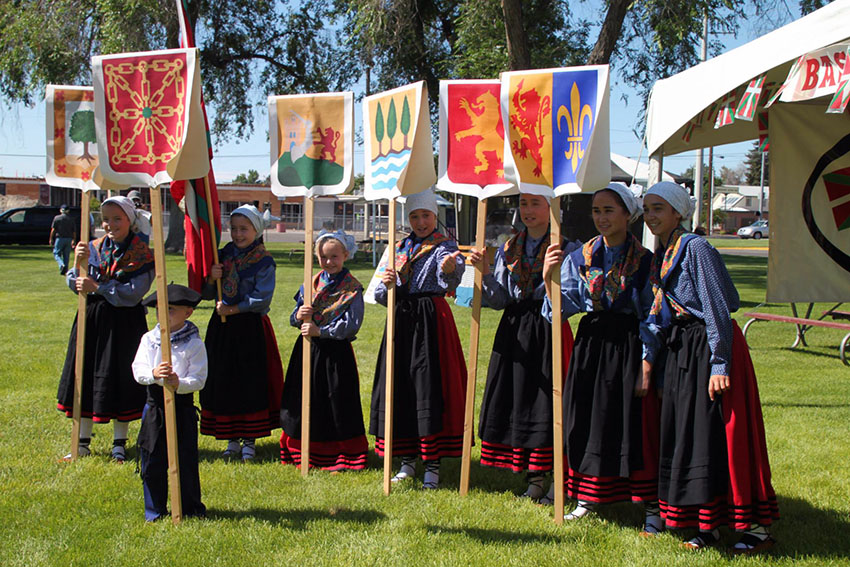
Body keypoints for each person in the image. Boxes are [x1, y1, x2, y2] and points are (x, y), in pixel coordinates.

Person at [642, 181, 778, 554]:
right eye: (647, 208)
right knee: (695, 435)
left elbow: (716, 306)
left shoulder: (696, 247)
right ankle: (708, 524)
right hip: (684, 348)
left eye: (658, 208)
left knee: (724, 434)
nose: (651, 216)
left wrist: (720, 362)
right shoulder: (663, 253)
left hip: (710, 346)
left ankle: (756, 528)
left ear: (678, 212)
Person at [541, 183, 661, 532]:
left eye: (609, 210)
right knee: (589, 419)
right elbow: (558, 312)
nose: (602, 218)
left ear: (628, 214)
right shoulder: (581, 257)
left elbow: (652, 315)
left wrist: (646, 360)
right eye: (596, 211)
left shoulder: (646, 261)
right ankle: (588, 497)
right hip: (591, 346)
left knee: (632, 423)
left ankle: (649, 505)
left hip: (628, 345)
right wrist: (551, 277)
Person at [468, 192, 575, 502]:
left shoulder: (567, 249)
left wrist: (551, 277)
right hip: (515, 330)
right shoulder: (509, 248)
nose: (527, 210)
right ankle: (535, 477)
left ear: (552, 207)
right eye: (523, 204)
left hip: (549, 325)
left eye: (535, 203)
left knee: (549, 401)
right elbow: (500, 299)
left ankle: (559, 478)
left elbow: (570, 297)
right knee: (520, 399)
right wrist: (486, 272)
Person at [370, 187, 467, 489]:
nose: (420, 221)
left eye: (425, 215)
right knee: (399, 386)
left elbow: (451, 275)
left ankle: (433, 464)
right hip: (400, 320)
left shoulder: (443, 246)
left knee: (429, 387)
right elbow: (378, 294)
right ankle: (406, 459)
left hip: (429, 321)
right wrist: (386, 284)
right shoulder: (398, 247)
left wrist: (451, 269)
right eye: (414, 216)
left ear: (434, 216)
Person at [57, 196, 154, 462]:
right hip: (92, 319)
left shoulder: (142, 254)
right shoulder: (92, 248)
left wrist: (99, 287)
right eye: (106, 219)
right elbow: (75, 281)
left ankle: (119, 443)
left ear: (130, 220)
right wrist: (77, 267)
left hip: (124, 323)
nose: (110, 224)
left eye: (117, 219)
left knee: (119, 378)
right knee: (85, 373)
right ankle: (82, 441)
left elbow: (134, 294)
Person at [201, 204, 284, 461]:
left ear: (256, 230)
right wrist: (210, 277)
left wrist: (233, 308)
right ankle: (231, 438)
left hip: (249, 327)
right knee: (224, 379)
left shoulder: (263, 260)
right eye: (234, 228)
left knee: (249, 381)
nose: (238, 234)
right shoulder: (222, 255)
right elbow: (207, 294)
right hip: (222, 328)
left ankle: (250, 438)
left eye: (244, 229)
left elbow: (262, 298)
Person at [279, 231, 368, 471]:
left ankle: (341, 453)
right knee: (304, 397)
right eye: (323, 257)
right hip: (307, 350)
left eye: (334, 257)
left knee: (335, 399)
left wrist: (323, 331)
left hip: (335, 354)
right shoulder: (311, 284)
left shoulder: (352, 289)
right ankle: (301, 447)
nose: (329, 262)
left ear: (345, 255)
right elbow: (295, 317)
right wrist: (298, 316)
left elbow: (352, 324)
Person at [132, 284, 206, 522]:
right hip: (154, 408)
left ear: (188, 312)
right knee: (152, 459)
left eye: (171, 309)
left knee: (184, 460)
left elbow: (199, 379)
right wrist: (154, 374)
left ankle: (190, 507)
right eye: (160, 309)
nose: (163, 314)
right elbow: (138, 369)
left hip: (181, 408)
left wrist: (178, 382)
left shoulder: (193, 343)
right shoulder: (149, 339)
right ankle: (154, 510)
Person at [50, 204, 76, 275]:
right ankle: (66, 270)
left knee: (56, 253)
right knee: (66, 255)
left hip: (60, 238)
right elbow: (74, 231)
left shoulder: (57, 218)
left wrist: (51, 238)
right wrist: (74, 240)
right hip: (69, 238)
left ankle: (61, 264)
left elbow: (53, 230)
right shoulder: (71, 219)